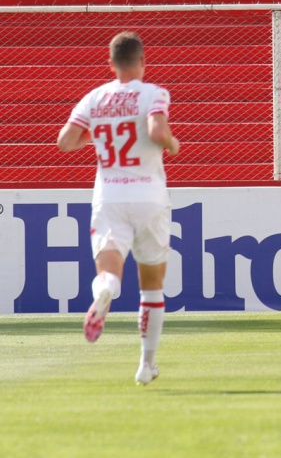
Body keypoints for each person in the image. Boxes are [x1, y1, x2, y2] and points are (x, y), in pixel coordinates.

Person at [56, 32, 180, 386]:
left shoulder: (95, 98)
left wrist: (95, 134)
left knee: (109, 271)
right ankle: (146, 365)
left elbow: (64, 142)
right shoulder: (154, 93)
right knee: (152, 286)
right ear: (142, 62)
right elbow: (157, 132)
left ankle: (105, 293)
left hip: (109, 196)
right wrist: (172, 143)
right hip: (149, 196)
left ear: (110, 65)